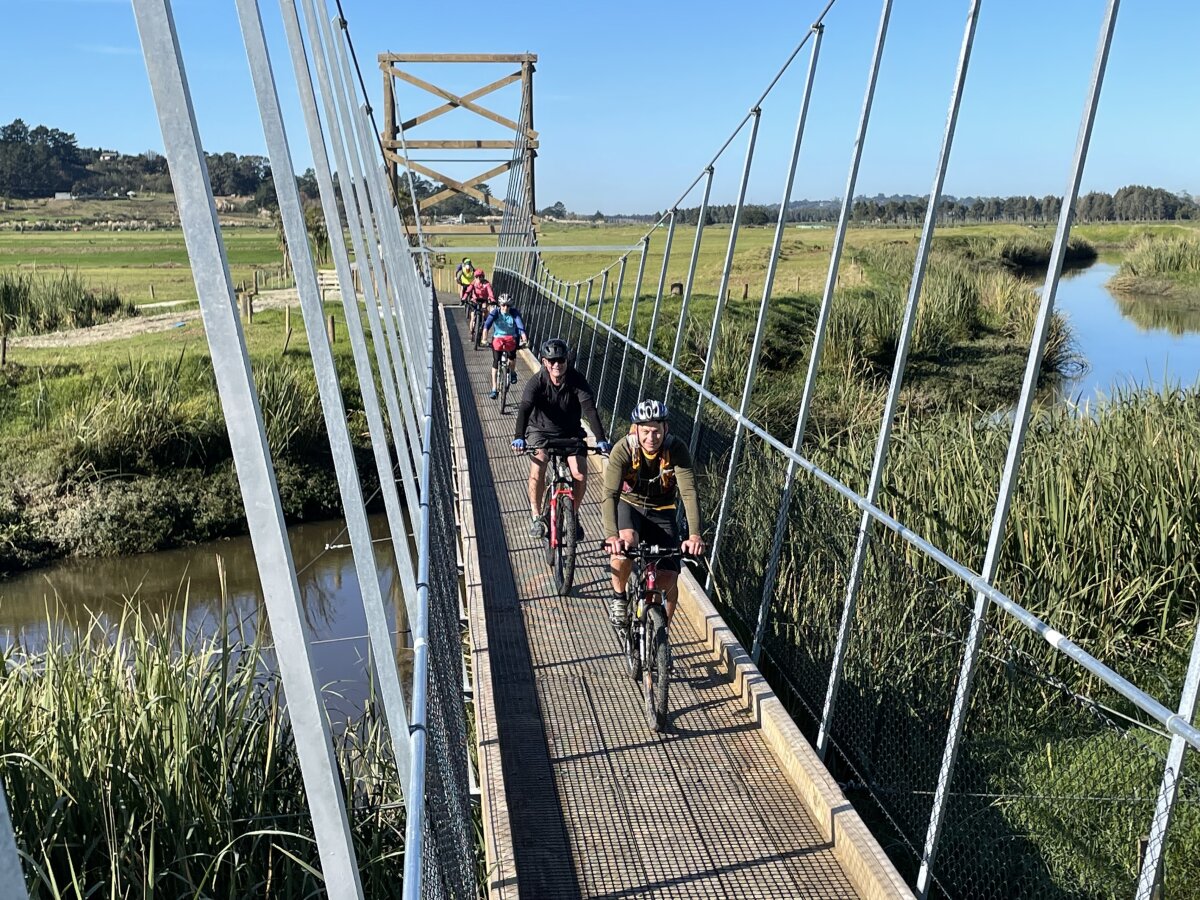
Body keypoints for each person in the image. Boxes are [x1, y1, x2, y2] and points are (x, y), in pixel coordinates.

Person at [602, 399, 705, 629]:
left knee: (668, 576)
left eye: (656, 431)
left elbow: (688, 493)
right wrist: (612, 536)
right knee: (626, 544)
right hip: (629, 506)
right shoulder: (623, 449)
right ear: (635, 429)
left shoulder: (676, 450)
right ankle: (619, 597)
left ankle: (662, 635)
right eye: (646, 431)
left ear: (665, 429)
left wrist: (695, 535)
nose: (651, 438)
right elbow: (610, 494)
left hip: (662, 510)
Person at [511, 338, 612, 540]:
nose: (557, 364)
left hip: (570, 433)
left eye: (561, 360)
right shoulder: (537, 382)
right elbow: (524, 408)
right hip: (540, 431)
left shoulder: (577, 381)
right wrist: (519, 437)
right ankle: (537, 517)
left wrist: (600, 439)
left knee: (580, 475)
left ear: (567, 361)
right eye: (552, 360)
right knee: (538, 467)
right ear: (544, 362)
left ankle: (573, 514)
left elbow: (590, 409)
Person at [482, 294, 527, 399]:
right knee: (495, 361)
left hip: (511, 338)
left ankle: (512, 372)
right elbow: (487, 325)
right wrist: (484, 339)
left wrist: (524, 338)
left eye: (508, 305)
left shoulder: (514, 313)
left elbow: (520, 326)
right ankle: (494, 388)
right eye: (503, 305)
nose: (505, 308)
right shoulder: (495, 312)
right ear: (499, 305)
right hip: (498, 338)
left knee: (512, 357)